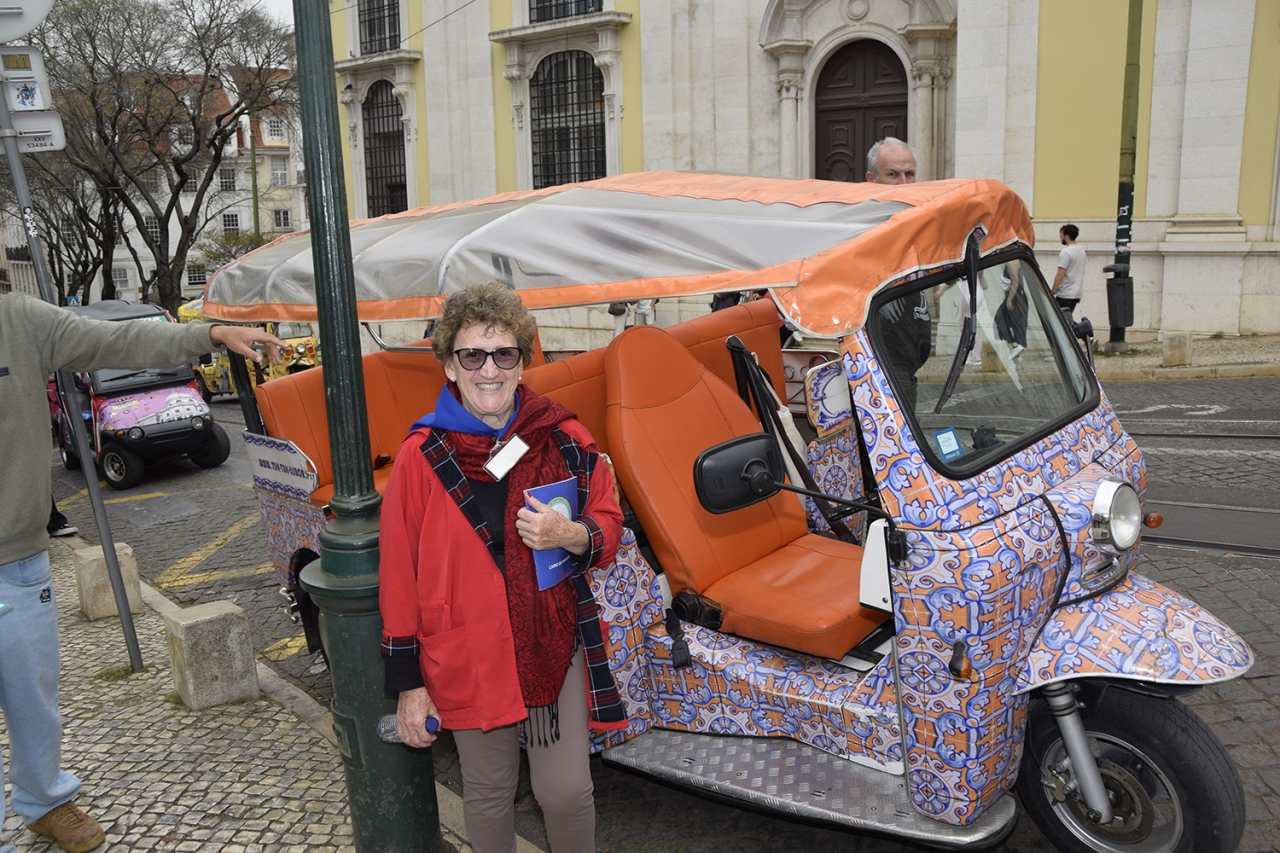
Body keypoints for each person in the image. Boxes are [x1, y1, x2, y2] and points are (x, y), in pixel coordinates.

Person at [0, 292, 282, 853]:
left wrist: (209, 335)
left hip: (16, 559)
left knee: (32, 695)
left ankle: (44, 800)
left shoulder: (16, 319)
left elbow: (118, 339)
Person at [379, 282, 625, 853]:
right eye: (472, 355)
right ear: (449, 364)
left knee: (565, 792)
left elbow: (609, 521)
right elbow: (397, 576)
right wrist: (409, 684)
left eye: (504, 354)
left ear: (522, 362)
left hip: (548, 642)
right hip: (466, 650)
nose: (489, 370)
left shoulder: (562, 437)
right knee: (489, 790)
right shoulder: (421, 455)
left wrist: (571, 535)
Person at [865, 139, 932, 411]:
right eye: (893, 174)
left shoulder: (919, 219)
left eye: (910, 174)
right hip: (883, 365)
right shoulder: (863, 227)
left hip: (908, 361)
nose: (904, 183)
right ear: (872, 180)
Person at [1053, 224, 1086, 318]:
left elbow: (1060, 273)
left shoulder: (1066, 252)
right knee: (1067, 318)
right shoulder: (1081, 251)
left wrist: (1053, 290)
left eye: (1061, 235)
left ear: (1066, 236)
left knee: (1058, 319)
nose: (1060, 238)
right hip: (1076, 293)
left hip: (1065, 293)